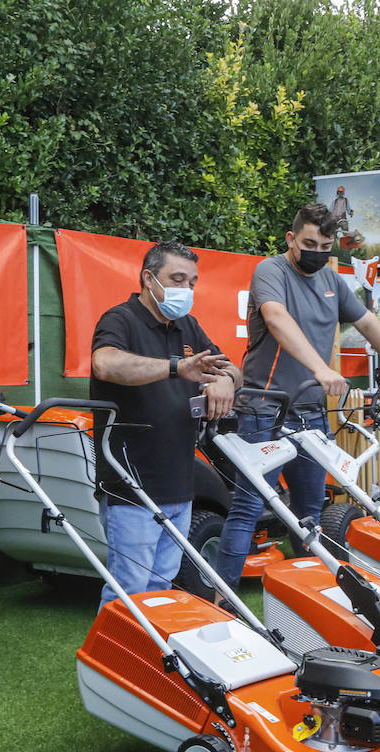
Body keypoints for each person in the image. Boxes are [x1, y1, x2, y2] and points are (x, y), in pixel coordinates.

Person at [211, 202, 380, 588]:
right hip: (265, 409)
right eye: (309, 243)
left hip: (310, 414)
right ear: (291, 239)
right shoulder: (270, 271)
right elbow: (277, 318)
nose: (317, 252)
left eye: (326, 246)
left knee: (310, 510)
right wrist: (321, 368)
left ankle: (313, 595)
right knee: (248, 506)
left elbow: (368, 324)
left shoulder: (332, 281)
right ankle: (222, 601)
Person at [90, 240, 242, 607]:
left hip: (179, 482)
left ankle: (150, 663)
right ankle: (112, 662)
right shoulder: (120, 320)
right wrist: (175, 368)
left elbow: (233, 368)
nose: (186, 289)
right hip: (132, 483)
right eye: (176, 279)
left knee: (162, 586)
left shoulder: (188, 326)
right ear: (148, 278)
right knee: (128, 588)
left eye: (191, 282)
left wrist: (225, 381)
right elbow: (105, 364)